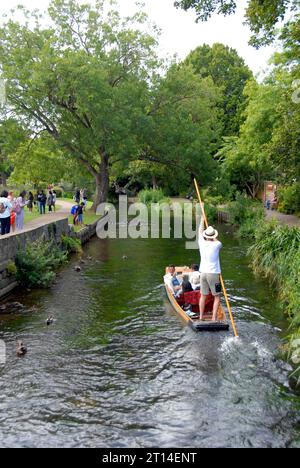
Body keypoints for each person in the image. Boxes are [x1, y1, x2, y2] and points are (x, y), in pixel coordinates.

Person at [198, 212, 222, 322]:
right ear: (213, 236)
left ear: (205, 236)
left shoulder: (201, 242)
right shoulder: (217, 244)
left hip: (202, 273)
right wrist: (213, 237)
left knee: (203, 295)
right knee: (217, 296)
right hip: (213, 274)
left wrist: (202, 219)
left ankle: (201, 317)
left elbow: (199, 231)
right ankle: (213, 318)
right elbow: (217, 240)